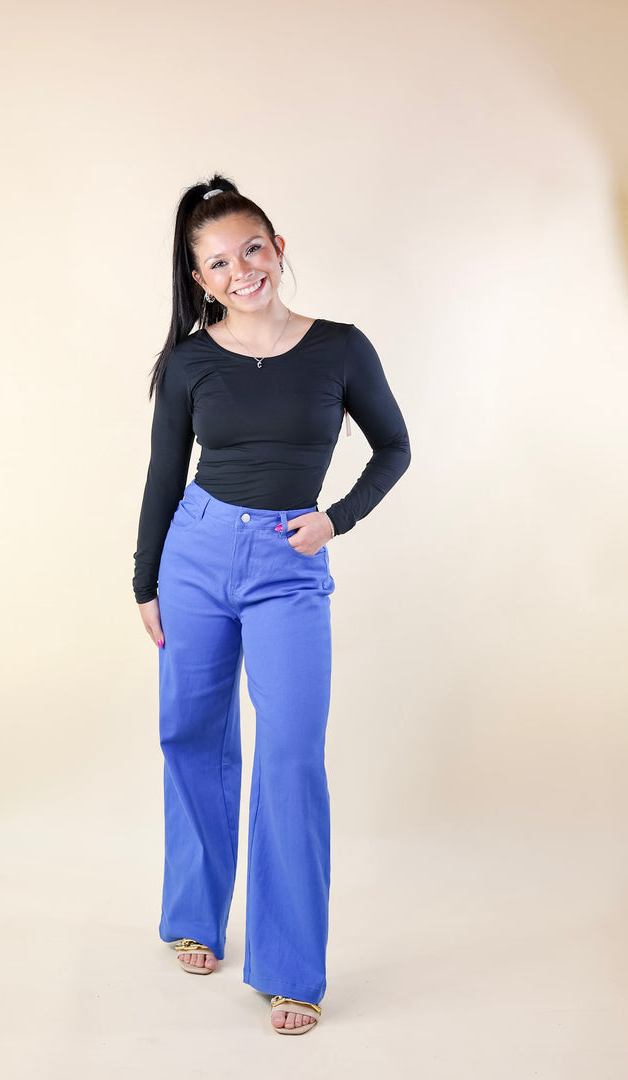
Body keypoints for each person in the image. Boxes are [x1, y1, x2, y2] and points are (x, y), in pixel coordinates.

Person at [133, 175, 411, 1035]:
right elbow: (164, 475)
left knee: (289, 754)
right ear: (200, 279)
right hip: (196, 553)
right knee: (191, 733)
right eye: (218, 262)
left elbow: (395, 447)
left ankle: (290, 969)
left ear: (278, 248)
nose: (241, 269)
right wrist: (145, 580)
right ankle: (194, 914)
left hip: (289, 565)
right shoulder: (190, 362)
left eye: (252, 248)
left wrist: (337, 519)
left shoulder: (341, 348)